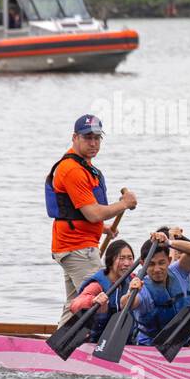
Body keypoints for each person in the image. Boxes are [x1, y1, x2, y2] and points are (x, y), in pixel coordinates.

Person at [47, 114, 137, 323]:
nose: (93, 143)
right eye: (88, 137)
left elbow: (78, 212)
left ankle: (57, 347)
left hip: (76, 245)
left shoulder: (85, 167)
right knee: (100, 296)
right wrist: (124, 204)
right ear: (75, 137)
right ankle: (87, 346)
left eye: (97, 138)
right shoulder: (72, 170)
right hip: (77, 248)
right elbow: (93, 213)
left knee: (75, 304)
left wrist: (102, 228)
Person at [64, 238, 136, 341]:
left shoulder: (133, 280)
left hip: (124, 341)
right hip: (96, 341)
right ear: (110, 261)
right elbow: (75, 304)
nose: (127, 263)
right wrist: (92, 301)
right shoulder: (97, 285)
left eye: (130, 258)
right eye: (122, 258)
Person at [128, 233, 190, 346]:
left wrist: (169, 242)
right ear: (143, 264)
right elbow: (127, 304)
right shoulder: (142, 288)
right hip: (150, 346)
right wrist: (130, 293)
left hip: (180, 344)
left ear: (169, 260)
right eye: (151, 264)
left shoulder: (178, 271)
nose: (157, 269)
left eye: (161, 263)